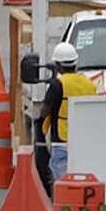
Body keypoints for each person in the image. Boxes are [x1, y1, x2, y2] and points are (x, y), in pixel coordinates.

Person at [31, 41, 89, 189]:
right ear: (76, 63)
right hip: (84, 140)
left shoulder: (58, 84)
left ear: (57, 65)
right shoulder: (89, 83)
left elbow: (45, 110)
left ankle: (63, 207)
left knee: (62, 182)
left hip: (62, 139)